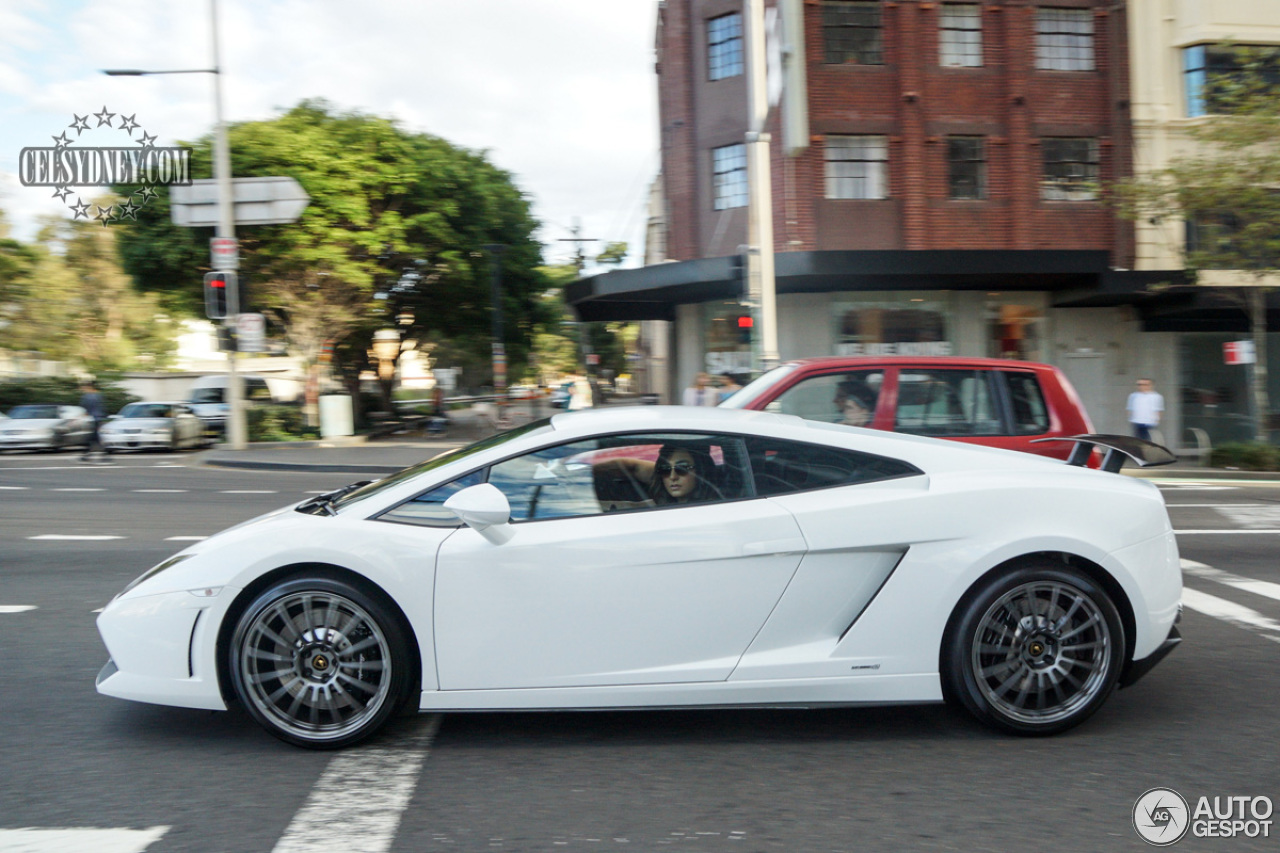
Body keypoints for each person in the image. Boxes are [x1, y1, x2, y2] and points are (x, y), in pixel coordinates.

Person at [647, 442, 721, 505]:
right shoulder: (663, 504)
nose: (672, 477)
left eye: (682, 468)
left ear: (700, 471)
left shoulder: (711, 508)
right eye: (665, 469)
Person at [78, 380, 106, 461]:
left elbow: (84, 408)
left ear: (88, 387)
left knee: (92, 438)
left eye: (84, 388)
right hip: (98, 418)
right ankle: (87, 455)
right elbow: (102, 407)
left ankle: (86, 456)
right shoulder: (98, 395)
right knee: (94, 438)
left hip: (92, 419)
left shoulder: (87, 396)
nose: (83, 389)